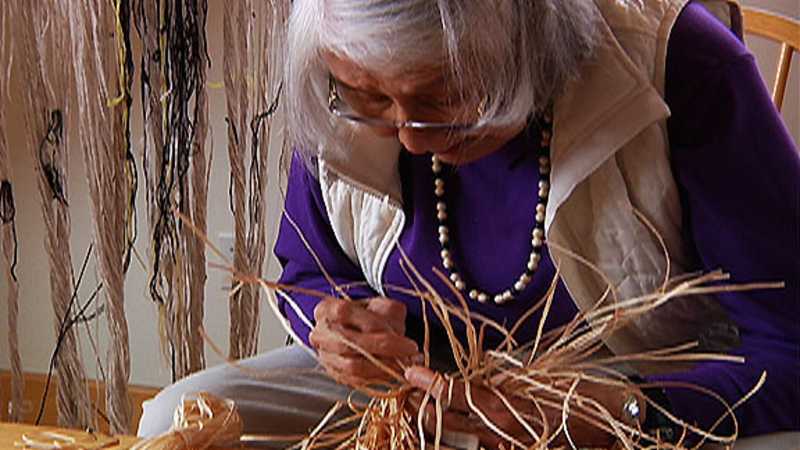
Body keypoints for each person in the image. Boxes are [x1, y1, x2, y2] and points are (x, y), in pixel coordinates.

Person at [138, 0, 800, 448]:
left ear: (527, 46)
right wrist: (335, 324)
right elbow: (309, 266)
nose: (408, 137)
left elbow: (789, 348)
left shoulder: (680, 65)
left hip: (621, 395)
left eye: (444, 95)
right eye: (370, 97)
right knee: (175, 420)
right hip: (412, 392)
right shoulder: (338, 74)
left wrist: (619, 410)